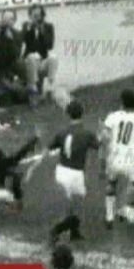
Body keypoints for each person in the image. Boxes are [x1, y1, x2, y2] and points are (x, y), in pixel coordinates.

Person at [27, 101, 99, 243]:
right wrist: (103, 134)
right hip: (76, 173)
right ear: (82, 114)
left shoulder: (62, 133)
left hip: (61, 171)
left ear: (68, 115)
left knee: (70, 205)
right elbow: (98, 146)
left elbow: (46, 151)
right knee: (77, 208)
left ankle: (74, 233)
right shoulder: (87, 134)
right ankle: (56, 230)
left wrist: (32, 167)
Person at [100, 89, 134, 232]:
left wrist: (103, 162)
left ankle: (109, 218)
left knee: (111, 184)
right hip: (131, 160)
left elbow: (104, 137)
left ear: (122, 102)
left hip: (114, 158)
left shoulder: (112, 116)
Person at [0, 9, 29, 107]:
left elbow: (17, 54)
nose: (6, 22)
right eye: (5, 18)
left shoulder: (17, 34)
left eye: (10, 19)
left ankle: (20, 87)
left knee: (21, 62)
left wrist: (10, 40)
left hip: (11, 66)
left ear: (14, 21)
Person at [22, 4, 58, 101]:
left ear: (42, 15)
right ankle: (33, 89)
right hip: (30, 62)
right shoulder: (26, 26)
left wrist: (42, 32)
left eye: (39, 15)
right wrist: (30, 29)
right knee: (32, 56)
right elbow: (23, 40)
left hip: (42, 61)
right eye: (34, 15)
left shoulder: (48, 27)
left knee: (53, 58)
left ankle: (50, 87)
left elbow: (50, 46)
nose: (37, 18)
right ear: (30, 16)